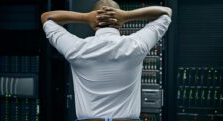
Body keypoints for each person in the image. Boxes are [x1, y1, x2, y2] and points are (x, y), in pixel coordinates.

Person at [41, 0, 172, 121]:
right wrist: (127, 15)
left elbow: (47, 18)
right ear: (119, 22)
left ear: (94, 23)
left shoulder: (77, 48)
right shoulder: (136, 46)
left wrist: (85, 17)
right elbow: (166, 13)